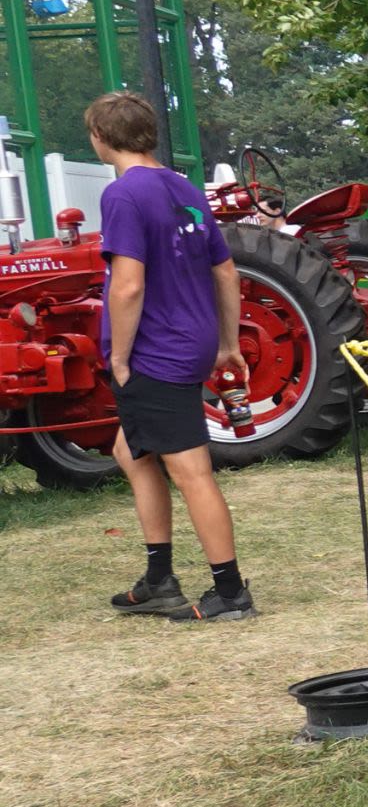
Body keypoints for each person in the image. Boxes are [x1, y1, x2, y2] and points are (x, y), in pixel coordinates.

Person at [88, 91, 260, 623]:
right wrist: (227, 344)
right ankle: (159, 577)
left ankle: (229, 591)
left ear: (100, 138)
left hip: (155, 351)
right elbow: (226, 272)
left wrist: (119, 357)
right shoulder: (184, 187)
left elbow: (128, 287)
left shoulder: (123, 195)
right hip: (193, 341)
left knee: (191, 472)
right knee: (130, 451)